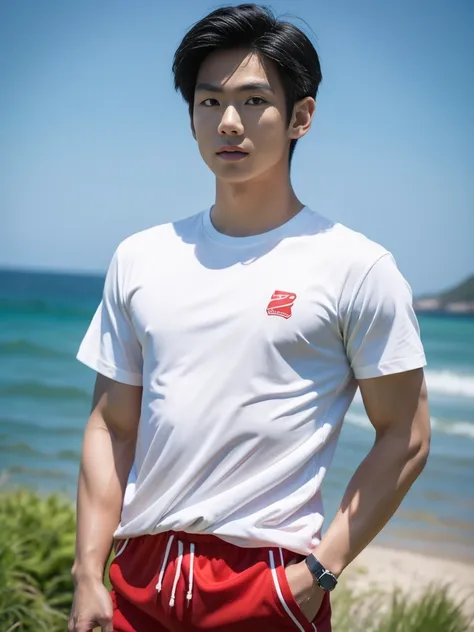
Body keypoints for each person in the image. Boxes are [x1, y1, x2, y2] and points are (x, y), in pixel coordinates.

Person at [69, 4, 431, 632]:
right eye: (209, 103)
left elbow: (406, 434)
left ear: (301, 117)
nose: (228, 122)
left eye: (254, 100)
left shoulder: (356, 266)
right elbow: (111, 425)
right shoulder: (141, 257)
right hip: (139, 575)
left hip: (266, 581)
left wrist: (317, 572)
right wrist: (87, 573)